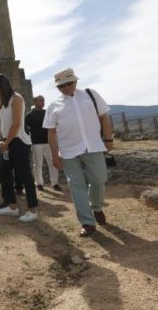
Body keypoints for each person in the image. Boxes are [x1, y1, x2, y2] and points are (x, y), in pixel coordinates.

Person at [43, 68, 113, 237]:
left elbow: (104, 117)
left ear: (75, 81)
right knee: (76, 186)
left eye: (69, 83)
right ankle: (87, 222)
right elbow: (51, 133)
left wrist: (108, 139)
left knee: (99, 179)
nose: (66, 87)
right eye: (61, 86)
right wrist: (54, 155)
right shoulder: (53, 106)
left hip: (93, 145)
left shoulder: (91, 95)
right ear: (57, 87)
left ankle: (96, 207)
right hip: (68, 150)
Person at [0, 74, 38, 222]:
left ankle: (32, 210)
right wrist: (1, 140)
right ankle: (12, 207)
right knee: (4, 173)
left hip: (18, 142)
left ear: (2, 86)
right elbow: (1, 124)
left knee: (25, 175)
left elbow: (16, 124)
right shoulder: (3, 102)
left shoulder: (16, 99)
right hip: (6, 142)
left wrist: (6, 143)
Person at [25, 96, 61, 191]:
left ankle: (55, 183)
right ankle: (39, 184)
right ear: (35, 102)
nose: (43, 102)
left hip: (49, 142)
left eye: (43, 100)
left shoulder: (47, 113)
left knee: (52, 162)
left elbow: (54, 126)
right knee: (38, 164)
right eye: (41, 101)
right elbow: (26, 130)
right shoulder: (29, 116)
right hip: (36, 143)